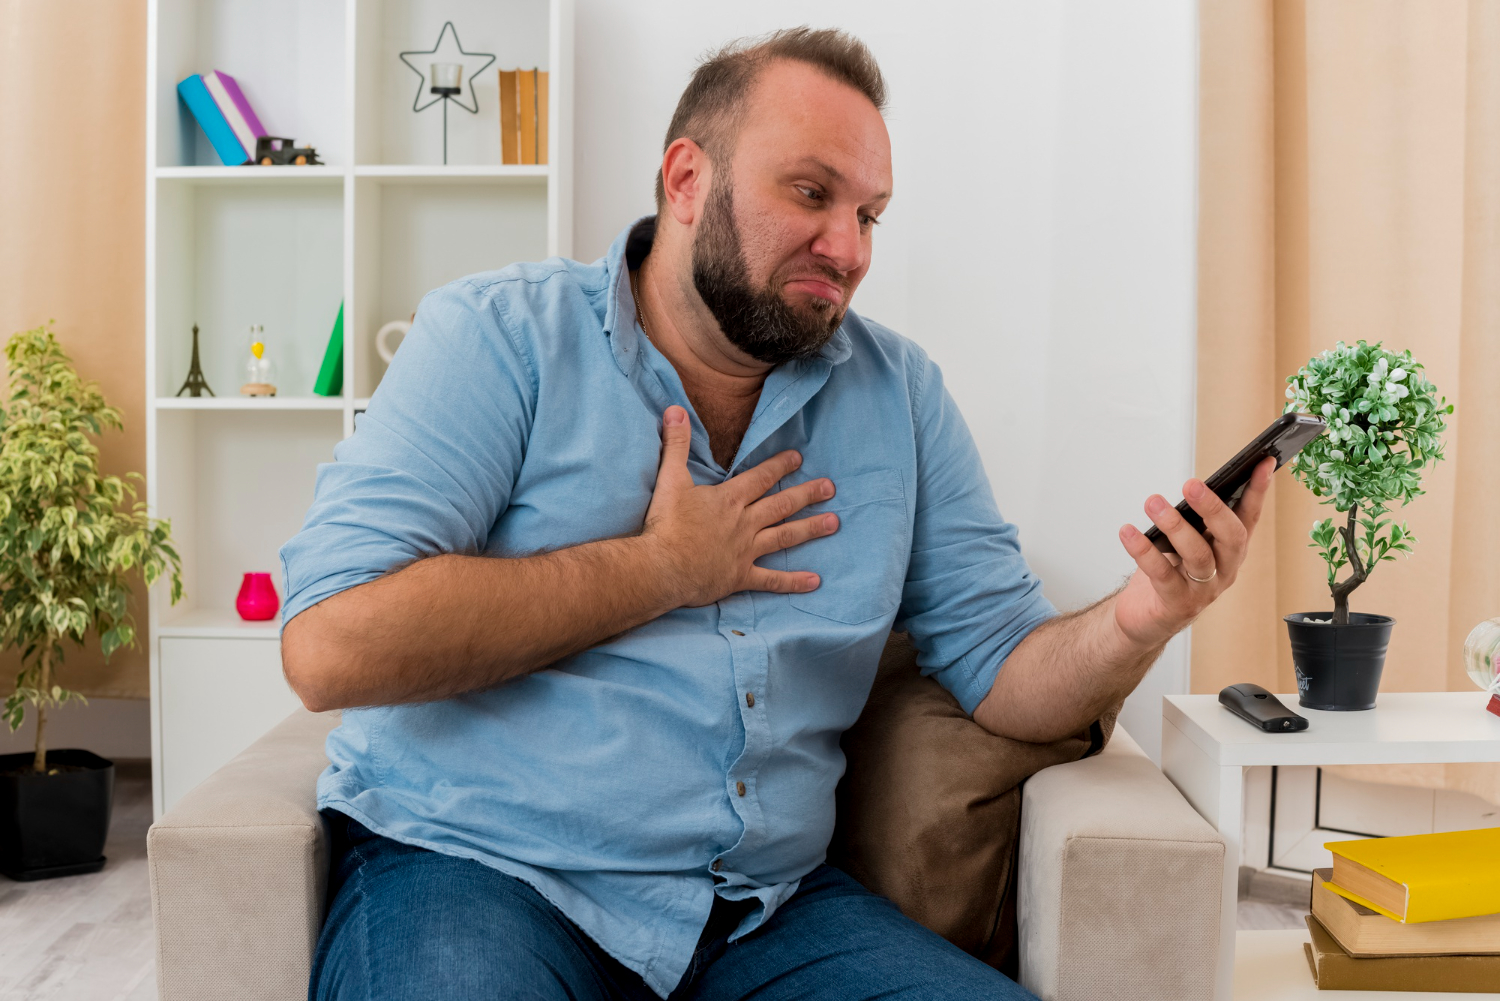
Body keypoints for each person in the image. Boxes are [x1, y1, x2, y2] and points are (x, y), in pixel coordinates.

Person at [279, 26, 1272, 1001]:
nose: (848, 248)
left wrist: (1141, 616)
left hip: (762, 912)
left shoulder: (900, 394)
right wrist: (661, 569)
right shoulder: (499, 337)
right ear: (686, 180)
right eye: (810, 193)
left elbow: (1004, 668)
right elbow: (330, 644)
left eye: (870, 214)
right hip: (480, 870)